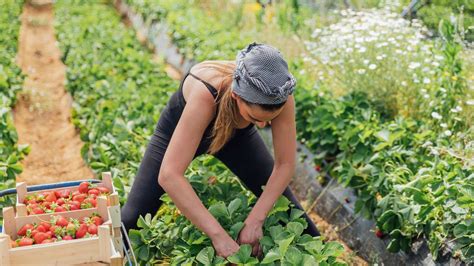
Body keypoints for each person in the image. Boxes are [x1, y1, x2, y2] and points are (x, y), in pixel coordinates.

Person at [121, 42, 320, 258]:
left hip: (238, 137)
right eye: (256, 119)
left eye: (269, 121)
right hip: (181, 131)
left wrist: (256, 219)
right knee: (130, 221)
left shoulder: (280, 94)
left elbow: (285, 165)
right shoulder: (207, 93)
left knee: (296, 218)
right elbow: (169, 175)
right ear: (236, 96)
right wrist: (219, 236)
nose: (262, 126)